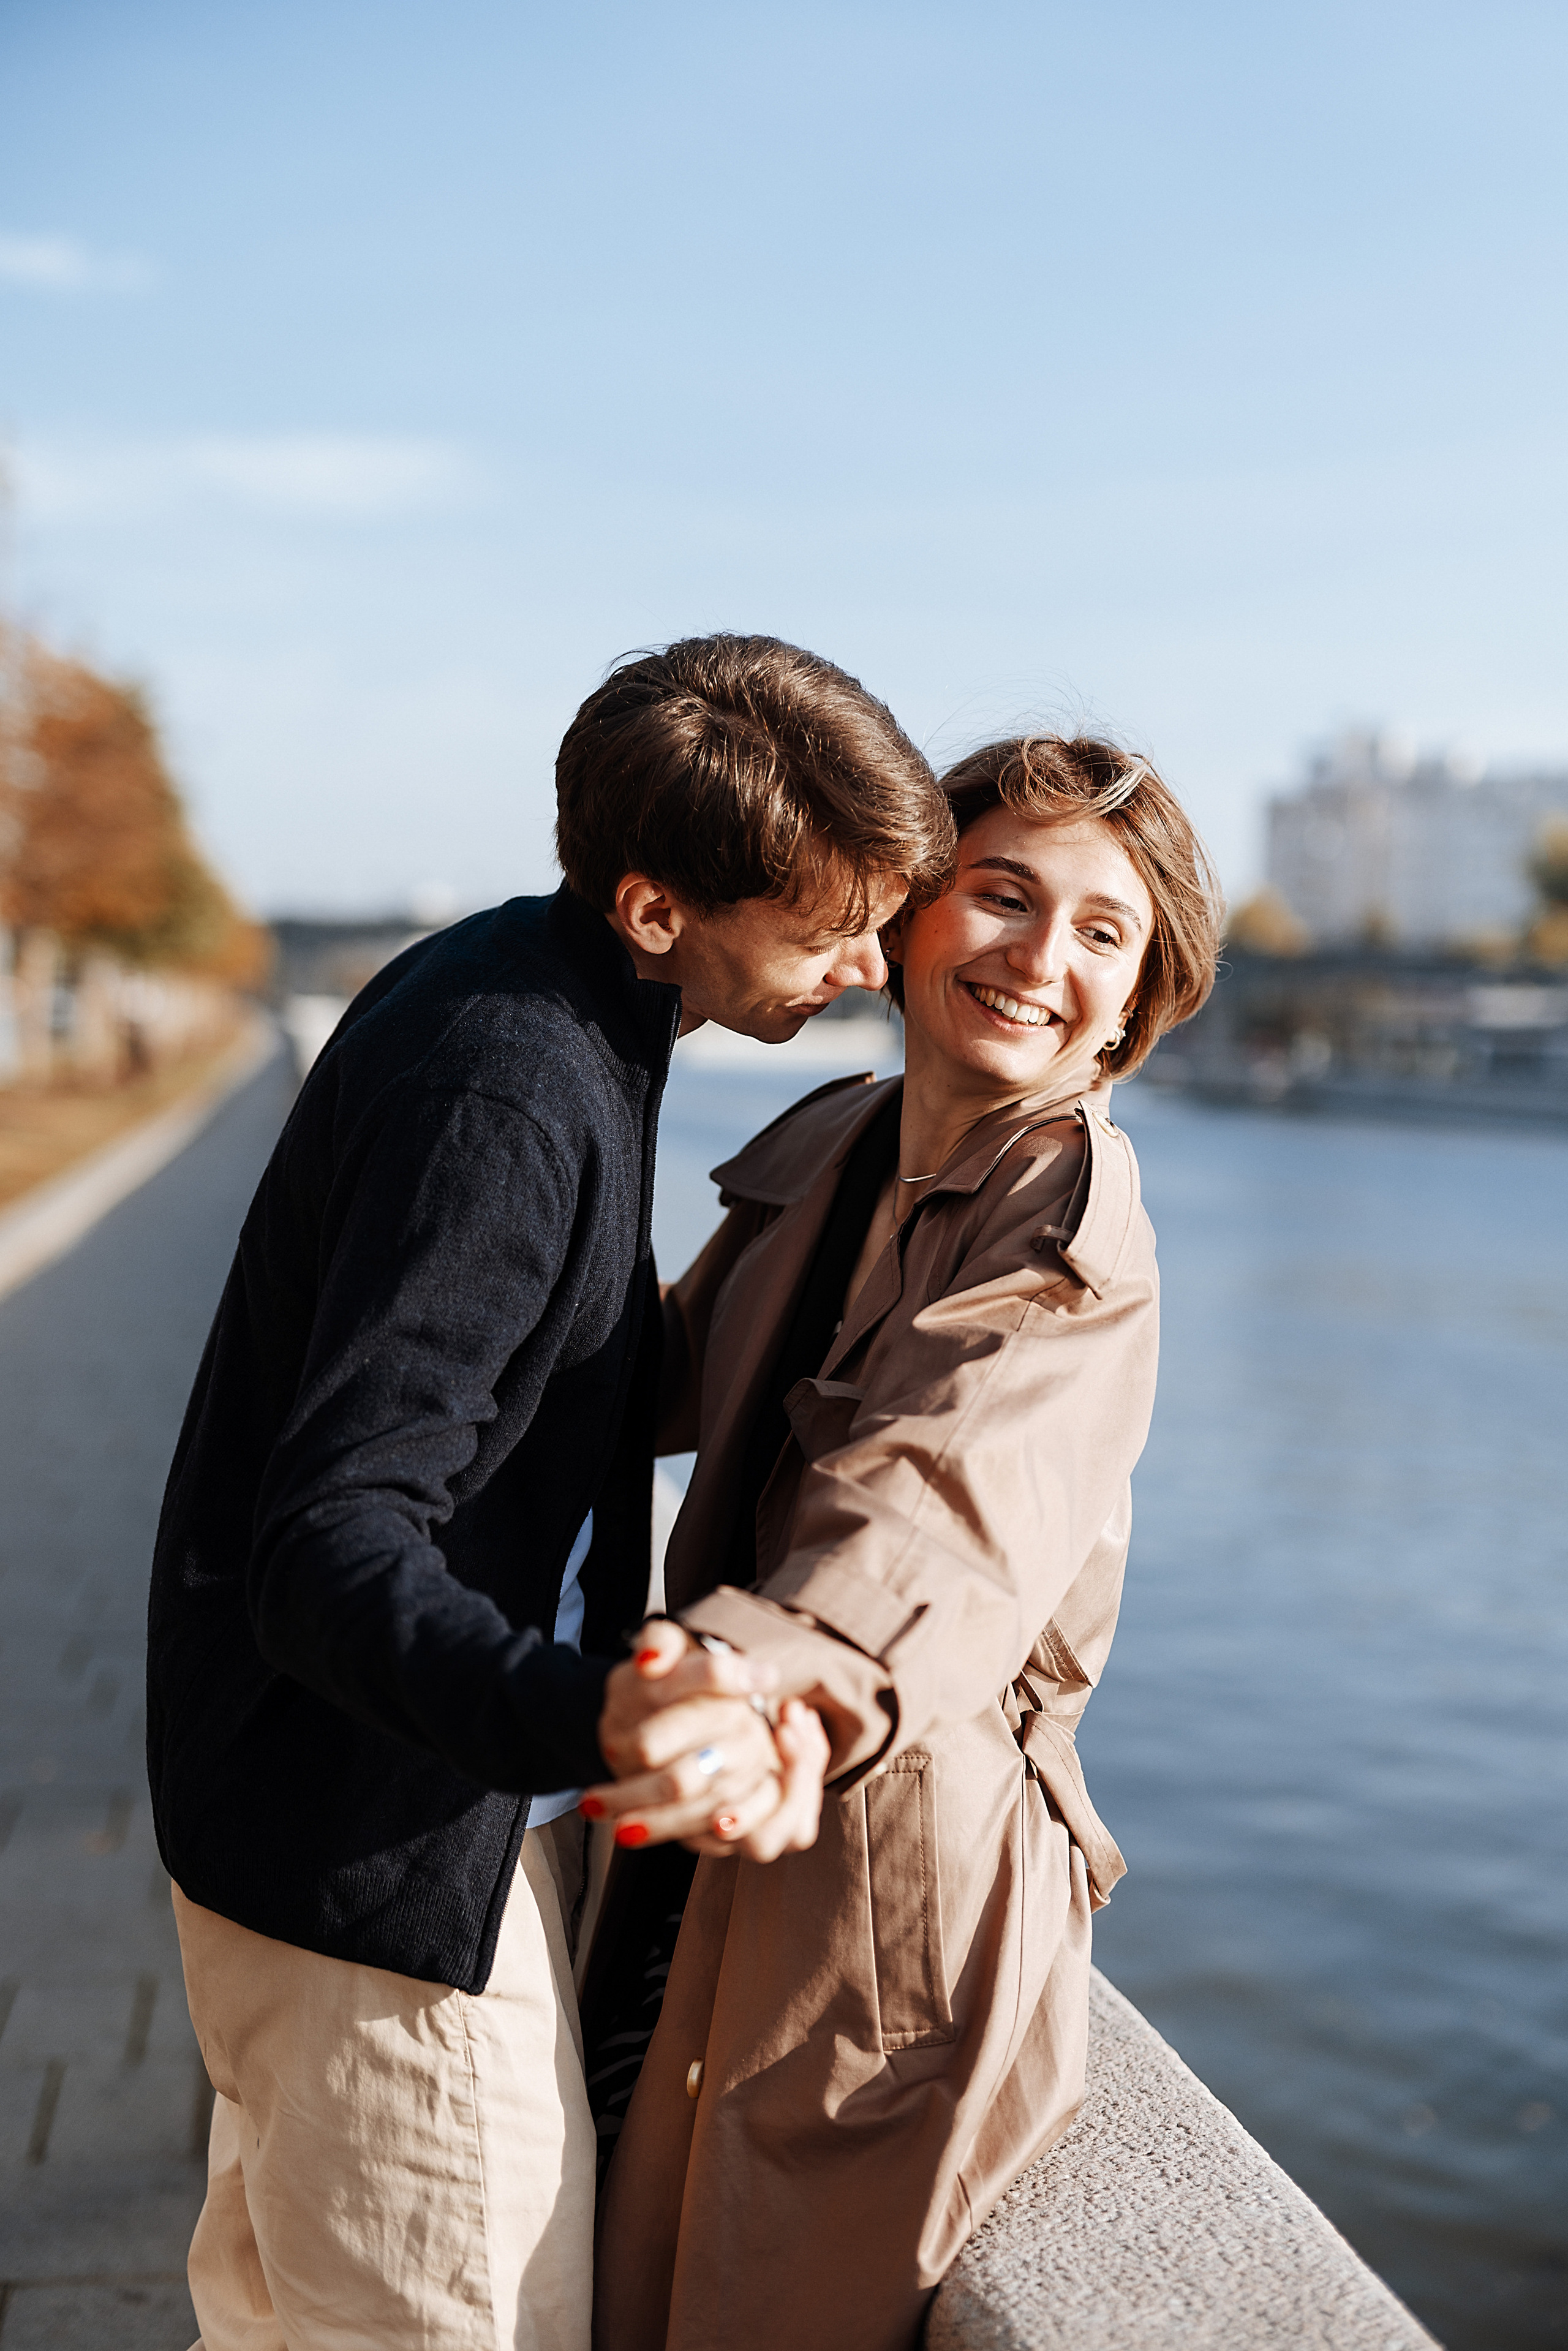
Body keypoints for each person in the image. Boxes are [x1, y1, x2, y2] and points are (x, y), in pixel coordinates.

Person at [147, 633, 955, 2351]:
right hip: (379, 1865)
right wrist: (600, 1723)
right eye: (830, 929)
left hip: (331, 1829)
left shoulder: (555, 994)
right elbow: (330, 1541)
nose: (872, 965)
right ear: (659, 906)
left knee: (280, 2315)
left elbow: (550, 1370)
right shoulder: (507, 1088)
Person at [588, 734, 1224, 2351]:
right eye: (1000, 895)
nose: (1038, 958)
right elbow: (655, 1375)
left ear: (1142, 995)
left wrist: (759, 1675)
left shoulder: (1074, 1235)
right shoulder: (838, 1141)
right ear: (909, 913)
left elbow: (939, 1502)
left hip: (887, 1904)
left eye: (1102, 934)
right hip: (709, 1817)